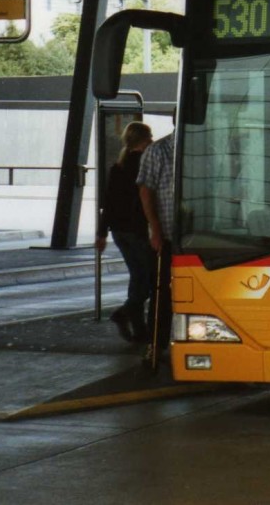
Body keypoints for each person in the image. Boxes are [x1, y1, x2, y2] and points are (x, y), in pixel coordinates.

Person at [99, 121, 154, 343]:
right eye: (149, 137)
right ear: (144, 139)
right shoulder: (145, 164)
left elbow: (108, 203)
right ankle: (125, 313)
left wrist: (101, 234)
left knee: (138, 276)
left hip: (119, 232)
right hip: (139, 230)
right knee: (151, 279)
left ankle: (139, 329)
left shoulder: (118, 167)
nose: (152, 140)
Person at [138, 125, 176, 361]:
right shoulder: (158, 150)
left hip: (201, 236)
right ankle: (155, 343)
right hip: (168, 235)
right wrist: (155, 229)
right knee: (162, 292)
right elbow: (145, 189)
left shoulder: (207, 147)